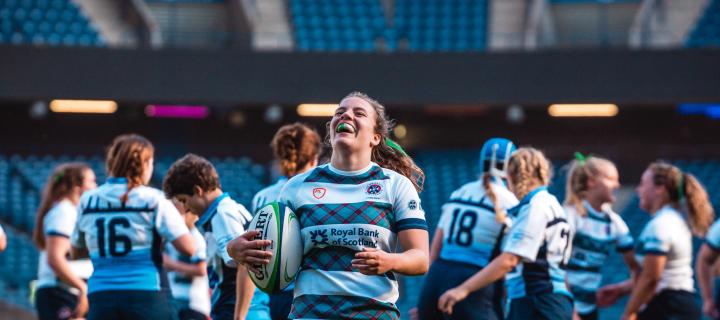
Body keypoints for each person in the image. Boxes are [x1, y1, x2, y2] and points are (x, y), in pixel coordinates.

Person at [228, 91, 430, 319]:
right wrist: (236, 252)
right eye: (340, 113)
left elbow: (421, 259)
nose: (346, 116)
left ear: (375, 137)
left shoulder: (395, 185)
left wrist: (390, 260)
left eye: (359, 113)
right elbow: (267, 250)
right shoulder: (297, 187)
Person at [438, 147, 573, 320]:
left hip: (537, 301)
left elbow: (510, 260)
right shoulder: (551, 203)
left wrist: (462, 289)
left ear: (512, 176)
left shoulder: (535, 208)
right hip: (551, 300)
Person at [71, 133, 196, 320]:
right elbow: (189, 248)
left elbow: (76, 252)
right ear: (144, 164)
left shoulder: (87, 200)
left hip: (102, 295)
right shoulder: (153, 199)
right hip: (146, 293)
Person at [413, 138, 518, 320]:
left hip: (438, 274)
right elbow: (508, 260)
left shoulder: (460, 192)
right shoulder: (510, 203)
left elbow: (436, 246)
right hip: (475, 281)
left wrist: (428, 294)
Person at [163, 153, 269, 320]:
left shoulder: (222, 214)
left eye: (184, 200)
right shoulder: (226, 210)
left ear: (197, 191)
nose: (185, 207)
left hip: (236, 311)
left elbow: (247, 264)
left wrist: (239, 317)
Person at [622, 161, 713, 320]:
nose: (638, 189)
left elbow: (651, 278)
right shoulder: (672, 220)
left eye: (643, 184)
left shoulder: (661, 224)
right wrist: (619, 289)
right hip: (677, 305)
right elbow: (665, 274)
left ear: (660, 188)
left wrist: (629, 313)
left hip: (668, 308)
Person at [251, 122, 321, 320]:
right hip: (309, 293)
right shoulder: (321, 197)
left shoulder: (262, 197)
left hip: (272, 292)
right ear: (314, 158)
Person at [562, 154, 639, 320]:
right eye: (611, 179)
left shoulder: (614, 222)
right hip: (563, 307)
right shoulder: (571, 215)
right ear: (592, 181)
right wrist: (571, 311)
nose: (617, 185)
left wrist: (622, 289)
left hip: (589, 310)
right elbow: (555, 265)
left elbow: (637, 269)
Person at [33, 163, 97, 320]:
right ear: (77, 187)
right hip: (59, 292)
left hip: (65, 291)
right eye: (92, 181)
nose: (96, 186)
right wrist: (82, 287)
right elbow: (55, 259)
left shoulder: (70, 212)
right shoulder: (64, 212)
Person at [163, 200, 211, 320]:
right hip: (174, 300)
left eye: (179, 213)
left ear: (190, 214)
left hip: (192, 304)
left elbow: (202, 269)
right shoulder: (172, 238)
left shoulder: (196, 238)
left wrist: (172, 265)